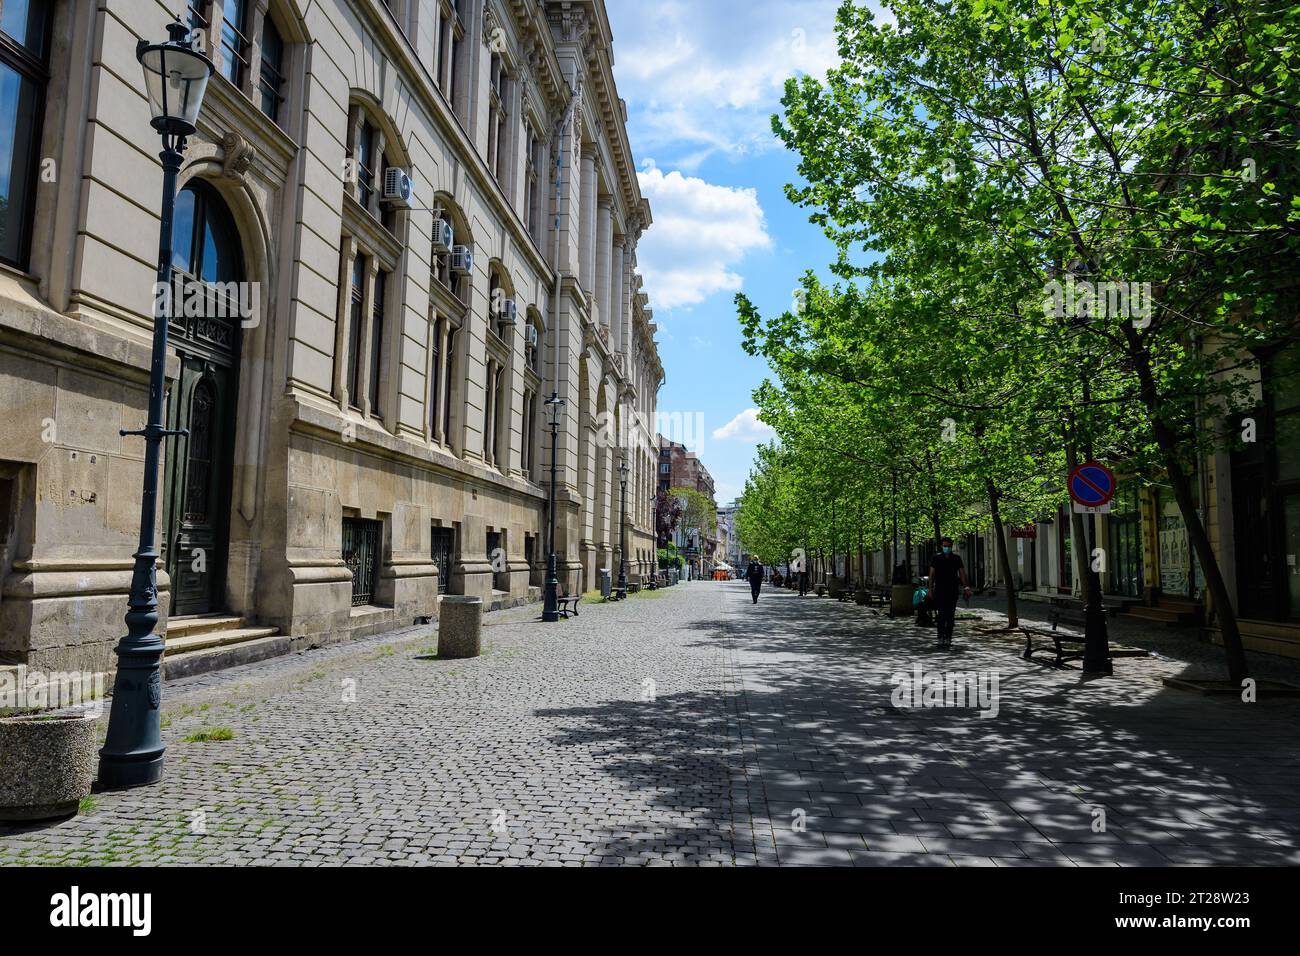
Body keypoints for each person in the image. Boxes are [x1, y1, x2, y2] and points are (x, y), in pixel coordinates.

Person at [927, 536, 971, 648]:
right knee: (941, 615)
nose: (947, 548)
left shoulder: (956, 558)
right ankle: (940, 637)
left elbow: (962, 573)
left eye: (949, 546)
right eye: (945, 546)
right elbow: (931, 575)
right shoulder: (936, 558)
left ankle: (948, 637)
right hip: (940, 590)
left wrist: (966, 587)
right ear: (942, 546)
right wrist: (930, 590)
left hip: (952, 590)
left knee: (950, 616)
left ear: (952, 547)